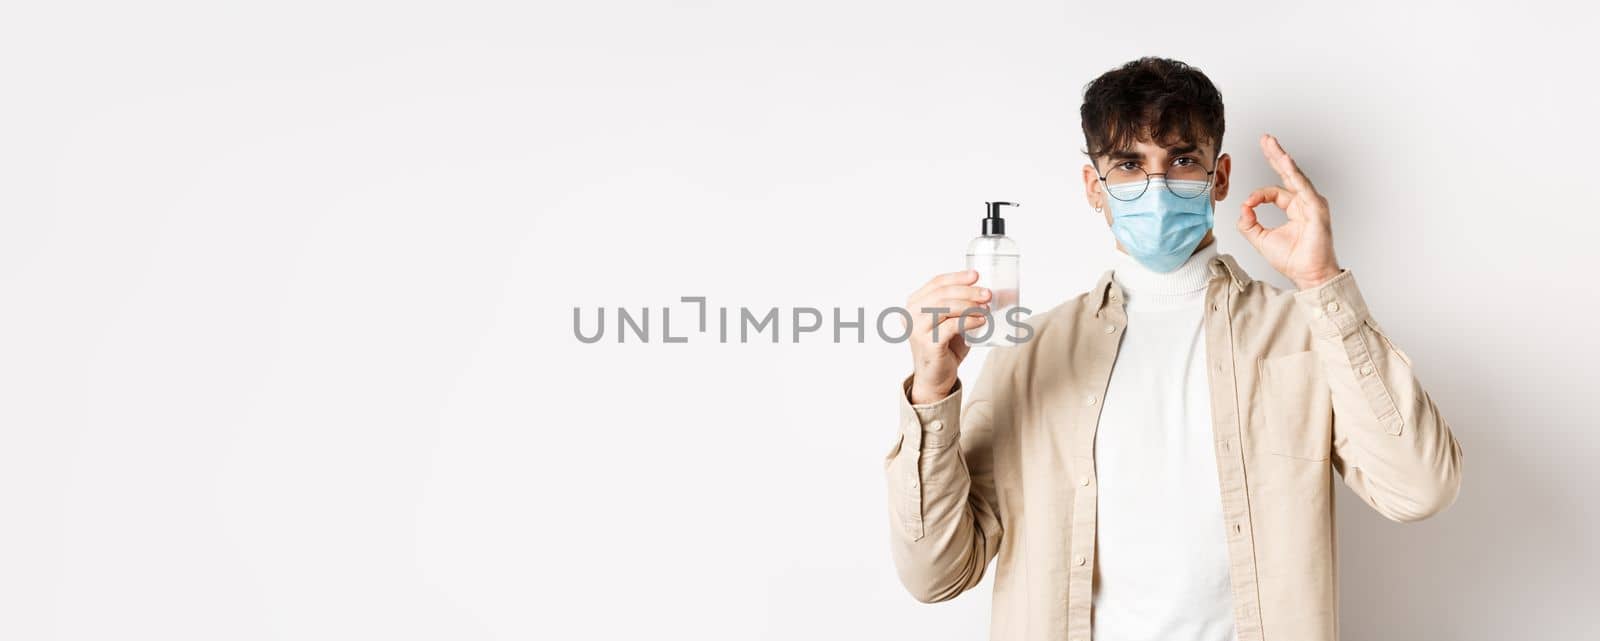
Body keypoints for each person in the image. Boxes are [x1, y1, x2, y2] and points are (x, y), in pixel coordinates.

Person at [883, 57, 1464, 641]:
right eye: (1130, 166)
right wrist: (932, 392)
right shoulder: (1030, 354)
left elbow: (1419, 490)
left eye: (1182, 161)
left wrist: (1321, 284)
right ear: (1095, 187)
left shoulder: (1306, 333)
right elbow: (937, 575)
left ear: (1220, 176)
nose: (1156, 188)